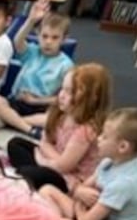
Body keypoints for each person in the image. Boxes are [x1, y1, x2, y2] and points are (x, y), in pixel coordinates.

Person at [7, 63, 112, 194]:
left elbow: (65, 166)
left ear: (90, 98)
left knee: (26, 172)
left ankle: (36, 178)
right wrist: (48, 155)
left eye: (69, 92)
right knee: (15, 144)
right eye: (62, 89)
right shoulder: (61, 112)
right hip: (54, 162)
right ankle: (34, 175)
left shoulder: (86, 130)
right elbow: (44, 141)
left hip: (70, 177)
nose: (61, 95)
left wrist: (42, 161)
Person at [39, 107, 137, 220]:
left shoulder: (124, 184)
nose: (98, 139)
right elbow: (84, 187)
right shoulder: (108, 162)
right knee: (46, 190)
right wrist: (80, 196)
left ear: (122, 147)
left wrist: (79, 204)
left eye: (104, 136)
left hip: (96, 218)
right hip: (96, 213)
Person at [0, 0, 73, 138]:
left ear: (64, 39)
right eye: (44, 36)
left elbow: (65, 98)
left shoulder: (66, 65)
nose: (48, 42)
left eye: (55, 38)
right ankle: (28, 129)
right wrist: (31, 20)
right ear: (37, 35)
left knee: (57, 118)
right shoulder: (32, 52)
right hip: (18, 101)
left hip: (41, 106)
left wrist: (36, 101)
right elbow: (17, 41)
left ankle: (12, 120)